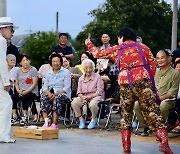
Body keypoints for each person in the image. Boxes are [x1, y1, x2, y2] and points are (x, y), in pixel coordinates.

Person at [85, 27, 173, 153]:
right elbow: (153, 64)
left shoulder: (117, 49)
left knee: (126, 114)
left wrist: (88, 43)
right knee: (153, 112)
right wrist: (149, 80)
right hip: (143, 80)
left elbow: (97, 54)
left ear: (122, 37)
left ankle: (126, 147)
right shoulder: (143, 47)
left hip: (125, 83)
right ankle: (164, 143)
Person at [134, 49, 180, 135]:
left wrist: (158, 99)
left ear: (169, 59)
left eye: (162, 58)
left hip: (168, 100)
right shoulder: (154, 71)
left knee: (163, 105)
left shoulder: (175, 73)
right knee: (137, 104)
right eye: (157, 58)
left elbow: (172, 92)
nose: (159, 60)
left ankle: (159, 126)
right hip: (153, 98)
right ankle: (149, 126)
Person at [71, 59, 105, 129]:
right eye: (86, 68)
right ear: (83, 69)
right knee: (74, 102)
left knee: (92, 104)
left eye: (90, 68)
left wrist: (90, 97)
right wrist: (83, 98)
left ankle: (93, 118)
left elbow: (100, 91)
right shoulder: (81, 78)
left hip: (95, 96)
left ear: (93, 68)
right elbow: (79, 92)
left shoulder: (97, 76)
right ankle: (81, 119)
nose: (88, 70)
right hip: (84, 97)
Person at [40, 53, 71, 128]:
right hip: (51, 93)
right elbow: (45, 87)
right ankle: (46, 121)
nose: (55, 63)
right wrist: (50, 94)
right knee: (43, 96)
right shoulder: (48, 73)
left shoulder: (66, 72)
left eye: (57, 61)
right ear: (51, 63)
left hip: (63, 94)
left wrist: (55, 94)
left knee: (58, 98)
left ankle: (54, 123)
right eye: (53, 61)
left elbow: (67, 87)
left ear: (61, 62)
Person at [0, 17, 17, 143]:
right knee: (7, 104)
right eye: (11, 30)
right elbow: (1, 63)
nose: (12, 33)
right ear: (2, 29)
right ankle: (4, 135)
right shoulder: (1, 41)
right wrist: (6, 82)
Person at [11, 54, 39, 126]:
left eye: (27, 60)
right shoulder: (18, 71)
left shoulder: (33, 70)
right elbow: (16, 83)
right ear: (20, 63)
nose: (26, 62)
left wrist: (26, 92)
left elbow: (34, 84)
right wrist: (19, 91)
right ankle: (14, 116)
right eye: (23, 61)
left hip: (32, 92)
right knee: (13, 97)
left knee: (24, 98)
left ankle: (25, 117)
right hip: (21, 91)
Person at [6, 54, 19, 125]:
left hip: (13, 88)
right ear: (6, 61)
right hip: (4, 87)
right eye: (11, 60)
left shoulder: (17, 69)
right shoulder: (3, 69)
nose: (13, 61)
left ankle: (13, 115)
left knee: (10, 94)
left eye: (14, 60)